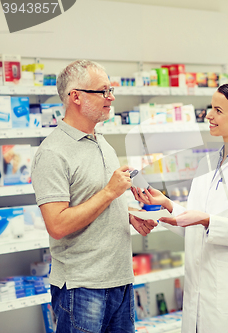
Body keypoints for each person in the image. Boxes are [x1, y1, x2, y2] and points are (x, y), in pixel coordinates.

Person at [132, 82, 228, 333]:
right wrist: (167, 204)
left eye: (218, 110)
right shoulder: (208, 162)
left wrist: (208, 221)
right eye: (211, 108)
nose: (209, 115)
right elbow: (196, 218)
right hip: (200, 291)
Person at [31, 60, 158, 333]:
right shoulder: (52, 153)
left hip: (120, 281)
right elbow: (58, 225)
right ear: (75, 96)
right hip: (82, 287)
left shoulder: (101, 141)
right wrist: (110, 191)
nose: (111, 97)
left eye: (110, 90)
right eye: (103, 91)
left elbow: (97, 201)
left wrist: (128, 216)